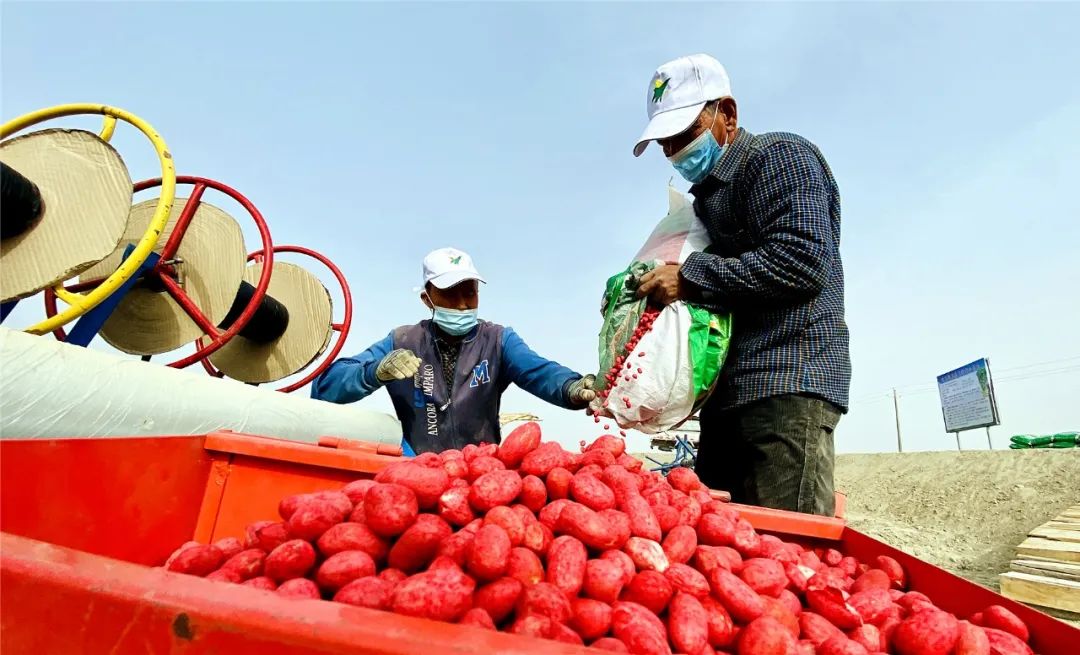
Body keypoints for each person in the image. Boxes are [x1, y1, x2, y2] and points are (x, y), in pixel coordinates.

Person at [630, 54, 851, 516]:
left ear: (727, 114)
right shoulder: (706, 200)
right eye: (665, 144)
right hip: (731, 398)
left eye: (684, 135)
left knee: (786, 548)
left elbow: (802, 261)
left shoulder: (779, 157)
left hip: (787, 385)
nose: (674, 152)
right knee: (723, 547)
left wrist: (688, 277)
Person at [311, 247, 595, 454]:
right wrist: (375, 371)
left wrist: (571, 387)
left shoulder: (497, 340)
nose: (462, 304)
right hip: (417, 472)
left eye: (469, 292)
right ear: (427, 298)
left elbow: (539, 371)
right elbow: (325, 389)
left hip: (481, 474)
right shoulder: (403, 341)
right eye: (449, 293)